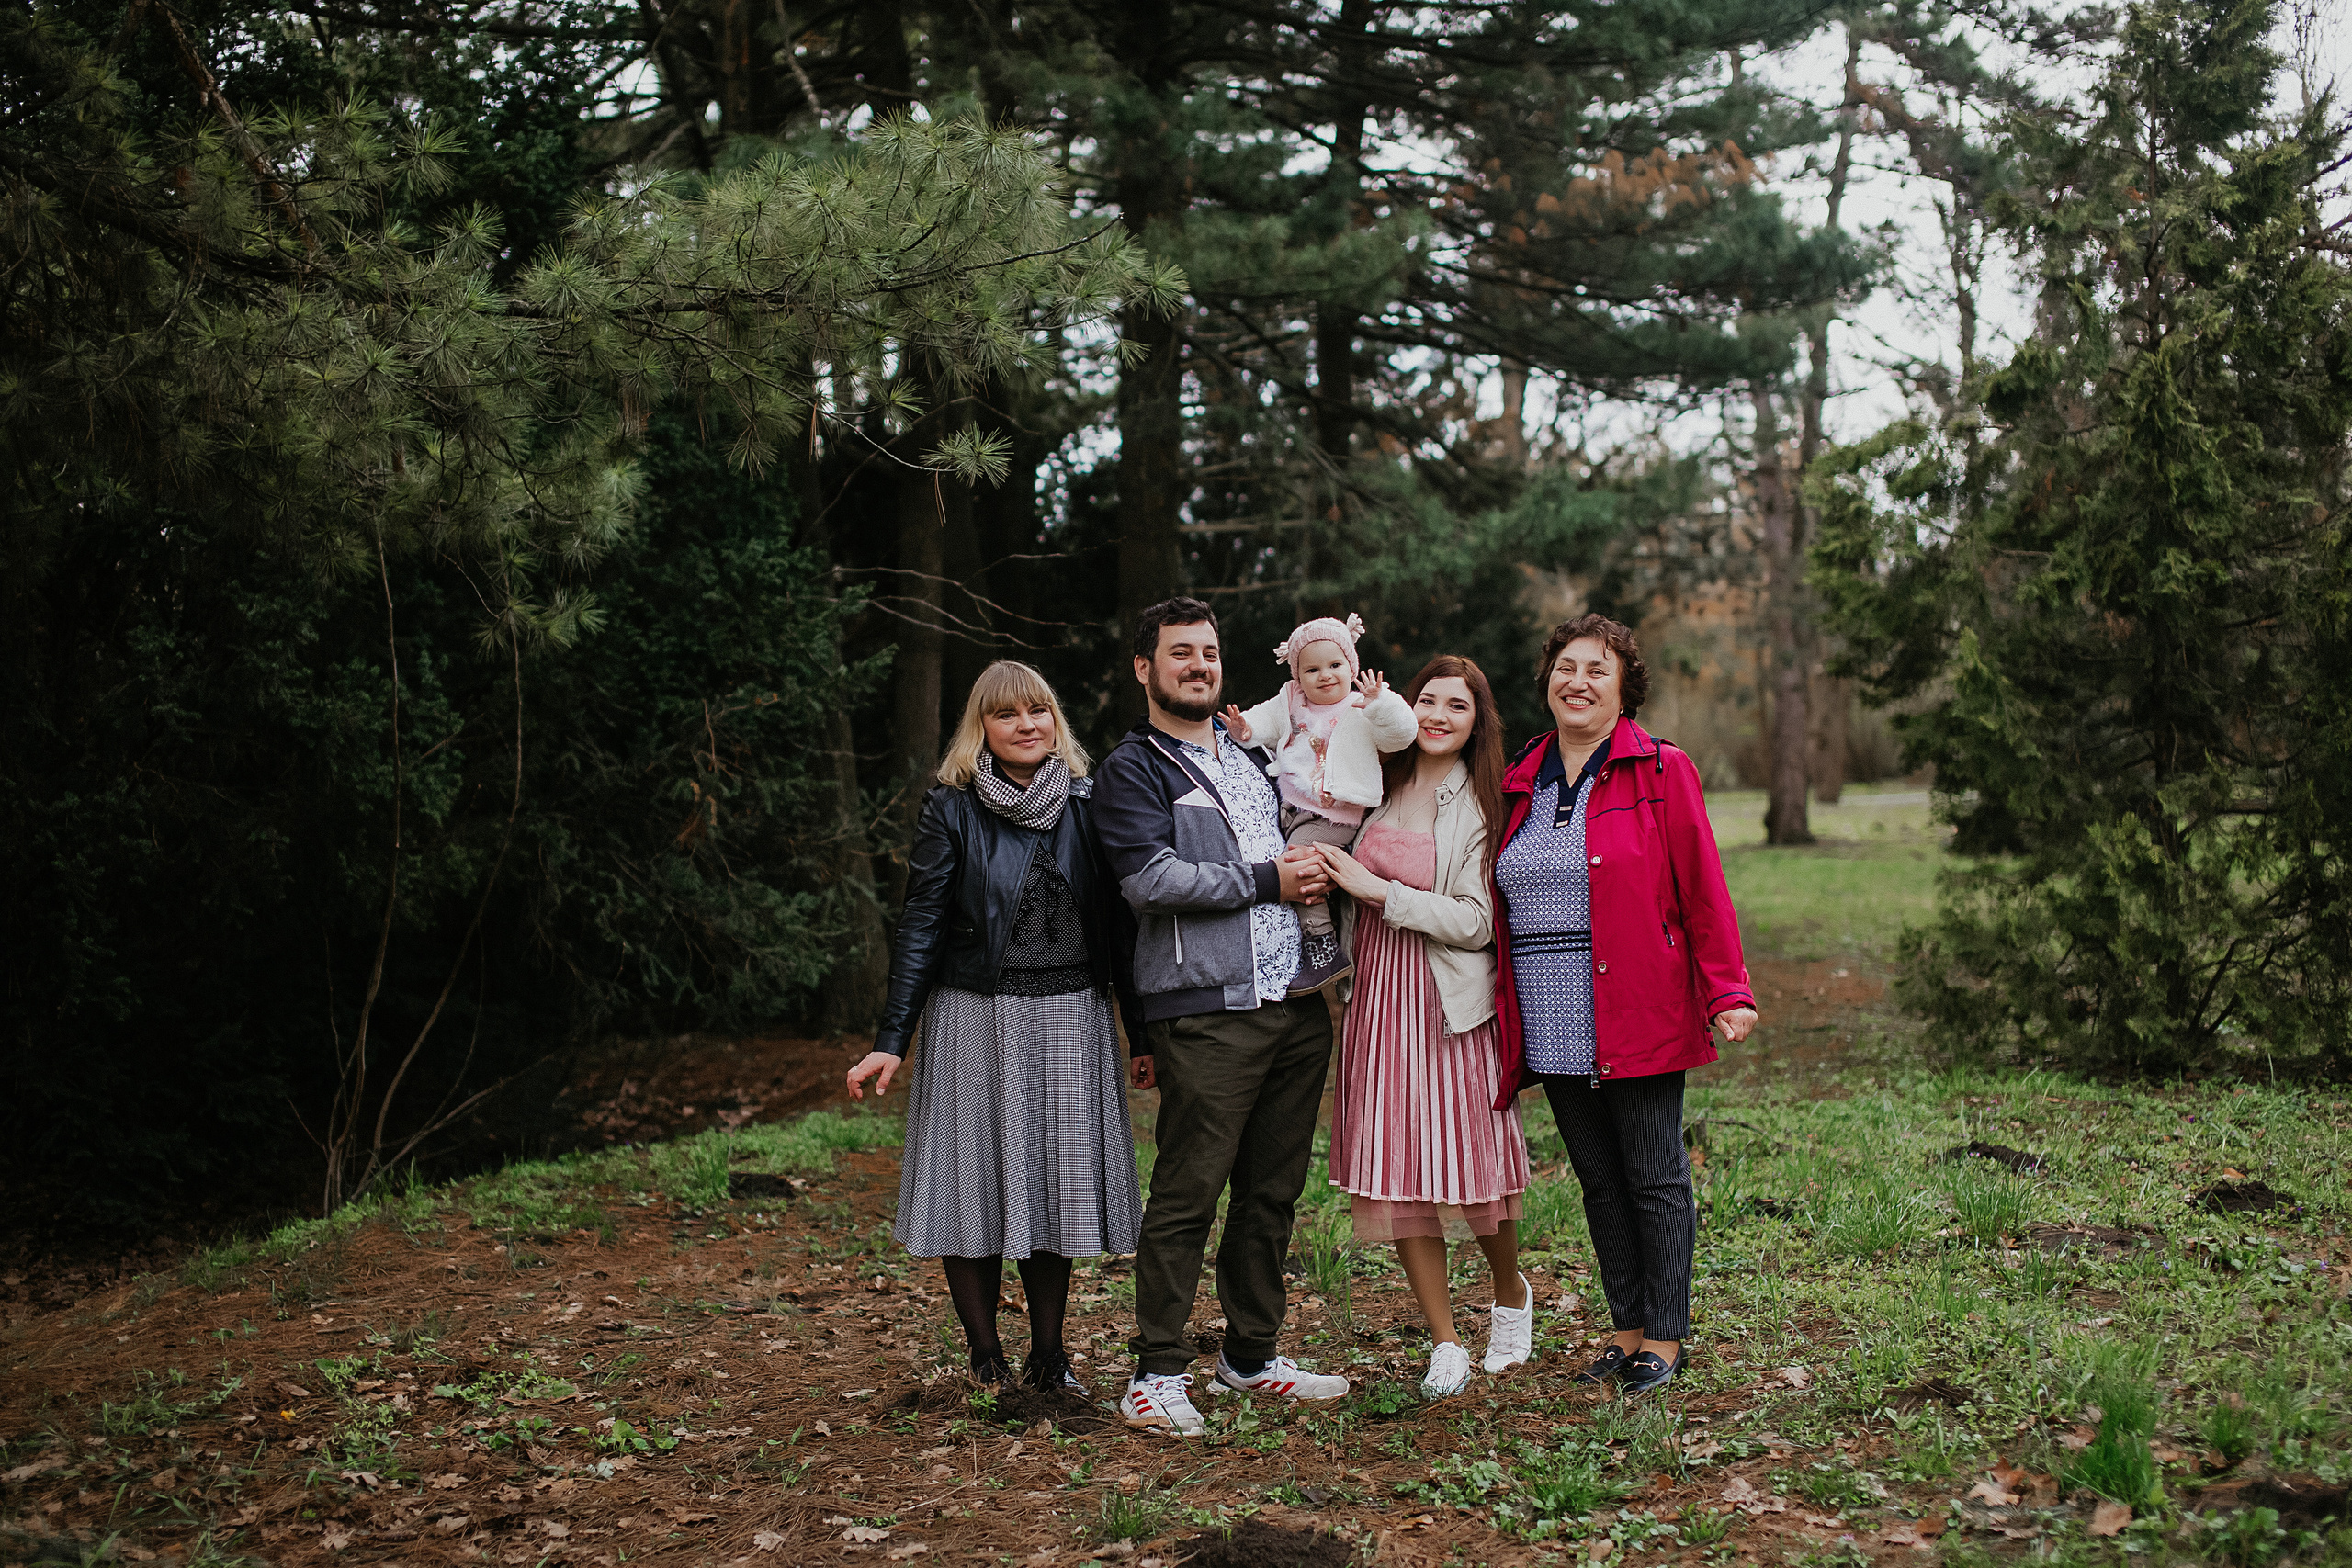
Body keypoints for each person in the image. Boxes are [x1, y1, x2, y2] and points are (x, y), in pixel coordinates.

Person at [1093, 597, 1352, 1436]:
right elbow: (1151, 882)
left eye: (1208, 652)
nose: (1199, 665)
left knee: (1272, 1192)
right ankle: (1155, 1372)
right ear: (1145, 668)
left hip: (1295, 1001)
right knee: (1188, 1190)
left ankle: (1251, 1355)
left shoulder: (1248, 754)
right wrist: (1269, 879)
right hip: (1208, 1010)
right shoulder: (1135, 770)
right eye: (1180, 653)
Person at [845, 660, 1141, 1395]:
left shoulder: (1086, 799)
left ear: (1055, 719)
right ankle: (986, 1358)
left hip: (1072, 1012)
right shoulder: (951, 806)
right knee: (972, 1178)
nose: (1026, 725)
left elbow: (1122, 923)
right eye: (1007, 714)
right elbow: (921, 924)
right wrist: (891, 1037)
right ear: (981, 727)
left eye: (1038, 710)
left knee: (1052, 1183)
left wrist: (1145, 1034)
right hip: (974, 1014)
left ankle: (1050, 1355)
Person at [1490, 614, 1759, 1394]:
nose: (1577, 681)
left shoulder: (1662, 769)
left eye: (1596, 670)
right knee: (1598, 1180)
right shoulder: (1518, 779)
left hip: (1636, 1002)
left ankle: (1665, 1336)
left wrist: (1727, 989)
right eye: (1565, 667)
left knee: (1654, 1174)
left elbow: (1702, 886)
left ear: (1623, 687)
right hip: (1550, 1012)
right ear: (1547, 679)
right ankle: (1625, 1326)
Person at [1315, 656, 1534, 1398]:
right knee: (1400, 1167)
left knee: (1473, 1168)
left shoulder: (1480, 802)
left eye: (1457, 706)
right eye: (1428, 700)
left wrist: (1381, 891)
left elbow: (1477, 924)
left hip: (1449, 1002)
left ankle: (1509, 1294)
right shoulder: (1376, 781)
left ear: (1478, 723)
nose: (1439, 715)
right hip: (1377, 996)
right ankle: (1445, 1340)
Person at [1220, 612, 1416, 992]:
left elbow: (1402, 734)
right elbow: (1266, 719)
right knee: (1290, 857)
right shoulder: (1292, 700)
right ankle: (1311, 938)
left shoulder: (1361, 707)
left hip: (1335, 813)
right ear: (1297, 676)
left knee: (1298, 862)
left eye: (1335, 665)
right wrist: (1246, 728)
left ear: (1351, 665)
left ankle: (1323, 946)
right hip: (1293, 807)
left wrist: (1381, 703)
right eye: (1312, 670)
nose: (1325, 675)